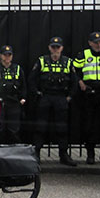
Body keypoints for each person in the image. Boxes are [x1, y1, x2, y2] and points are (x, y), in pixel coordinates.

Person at [30, 36, 78, 166]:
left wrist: (69, 97)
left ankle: (64, 155)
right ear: (49, 48)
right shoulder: (41, 61)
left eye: (58, 47)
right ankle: (37, 154)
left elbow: (75, 82)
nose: (55, 49)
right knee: (40, 127)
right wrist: (37, 94)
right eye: (53, 47)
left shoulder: (68, 62)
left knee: (62, 128)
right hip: (45, 97)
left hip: (61, 97)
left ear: (62, 48)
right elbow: (32, 80)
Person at [72, 31, 100, 165]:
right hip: (89, 93)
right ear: (90, 43)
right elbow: (74, 70)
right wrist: (80, 82)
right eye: (96, 42)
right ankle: (90, 154)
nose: (99, 44)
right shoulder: (83, 55)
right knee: (89, 125)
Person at [0, 44, 26, 144]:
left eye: (9, 55)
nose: (7, 57)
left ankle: (14, 153)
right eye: (5, 55)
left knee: (14, 129)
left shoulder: (17, 69)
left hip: (14, 102)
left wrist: (23, 98)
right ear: (0, 56)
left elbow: (23, 84)